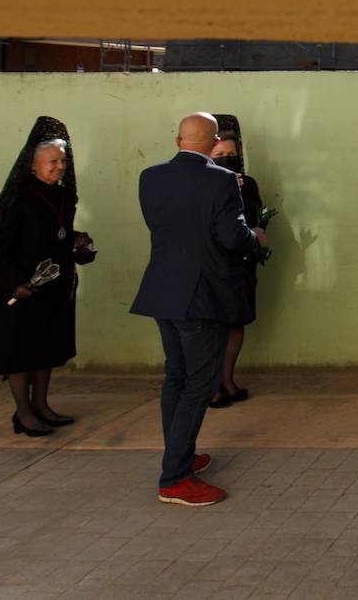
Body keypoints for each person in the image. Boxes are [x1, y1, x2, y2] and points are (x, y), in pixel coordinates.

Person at [131, 112, 264, 506]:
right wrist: (254, 236)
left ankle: (181, 457)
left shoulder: (150, 177)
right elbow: (232, 238)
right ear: (212, 144)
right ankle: (174, 479)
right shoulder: (220, 180)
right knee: (199, 384)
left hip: (162, 291)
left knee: (176, 376)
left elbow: (167, 229)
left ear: (178, 141)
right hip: (202, 296)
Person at [0, 118, 96, 437]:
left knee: (46, 349)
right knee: (19, 353)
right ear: (33, 165)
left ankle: (41, 405)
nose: (60, 166)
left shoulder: (63, 197)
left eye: (63, 160)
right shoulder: (16, 199)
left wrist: (78, 246)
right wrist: (16, 282)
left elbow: (57, 236)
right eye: (53, 161)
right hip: (22, 289)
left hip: (53, 288)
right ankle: (23, 413)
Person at [207, 118, 266, 408]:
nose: (226, 160)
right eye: (219, 156)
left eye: (230, 155)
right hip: (213, 266)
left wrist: (258, 236)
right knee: (213, 328)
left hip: (241, 264)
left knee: (236, 324)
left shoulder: (248, 184)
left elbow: (255, 218)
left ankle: (228, 380)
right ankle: (212, 386)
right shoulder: (204, 187)